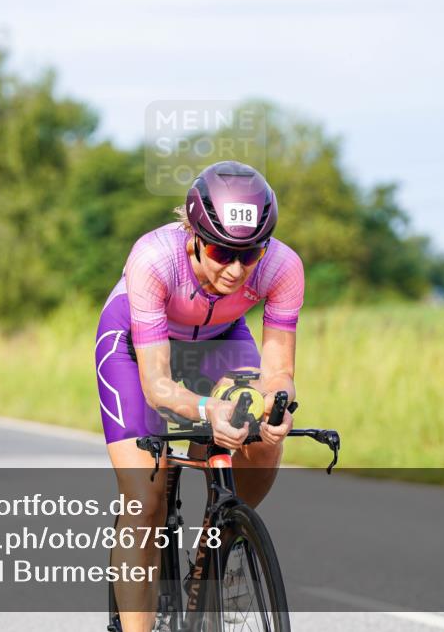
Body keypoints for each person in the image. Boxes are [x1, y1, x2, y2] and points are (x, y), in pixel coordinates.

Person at [95, 160, 305, 631]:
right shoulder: (153, 258)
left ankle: (215, 550)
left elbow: (280, 373)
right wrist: (211, 409)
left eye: (249, 255)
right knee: (145, 499)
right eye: (220, 251)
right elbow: (159, 386)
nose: (234, 269)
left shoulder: (284, 267)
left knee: (264, 435)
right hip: (136, 347)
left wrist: (279, 404)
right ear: (192, 232)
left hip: (219, 341)